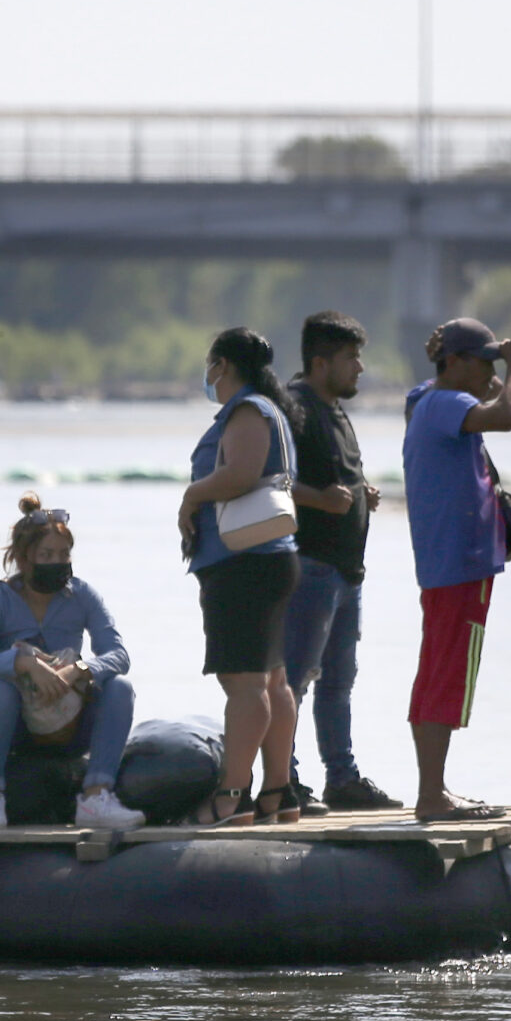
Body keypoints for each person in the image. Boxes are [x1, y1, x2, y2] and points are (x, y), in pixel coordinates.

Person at [401, 317, 511, 822]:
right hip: (460, 564)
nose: (493, 372)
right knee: (448, 676)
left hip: (448, 563)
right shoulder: (448, 403)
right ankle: (432, 795)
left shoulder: (426, 400)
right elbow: (509, 413)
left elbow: (488, 392)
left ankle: (434, 789)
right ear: (453, 363)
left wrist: (486, 363)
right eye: (484, 361)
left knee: (437, 672)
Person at [176, 327, 303, 828]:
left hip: (243, 564)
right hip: (264, 560)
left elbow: (242, 474)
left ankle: (232, 798)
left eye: (210, 364)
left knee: (245, 684)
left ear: (222, 365)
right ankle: (278, 793)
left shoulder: (247, 411)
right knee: (272, 680)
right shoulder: (267, 407)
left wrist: (191, 497)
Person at [0, 495, 147, 832]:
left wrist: (80, 669)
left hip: (66, 721)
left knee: (120, 687)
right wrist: (22, 663)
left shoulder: (82, 595)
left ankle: (96, 796)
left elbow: (119, 655)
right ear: (23, 558)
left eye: (64, 555)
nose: (57, 563)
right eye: (46, 556)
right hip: (11, 724)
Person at [282, 311, 401, 812]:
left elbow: (335, 476)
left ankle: (342, 778)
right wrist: (318, 499)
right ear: (319, 361)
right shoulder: (293, 407)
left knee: (338, 681)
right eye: (351, 358)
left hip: (347, 571)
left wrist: (358, 494)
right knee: (295, 679)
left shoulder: (334, 408)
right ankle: (281, 779)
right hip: (310, 566)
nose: (360, 367)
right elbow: (270, 479)